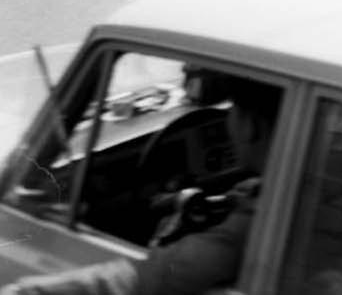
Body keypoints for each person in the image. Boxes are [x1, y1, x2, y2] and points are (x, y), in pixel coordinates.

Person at [1, 78, 281, 295]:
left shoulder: (257, 222)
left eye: (232, 111)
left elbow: (154, 275)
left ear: (250, 126)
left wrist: (29, 291)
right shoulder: (283, 189)